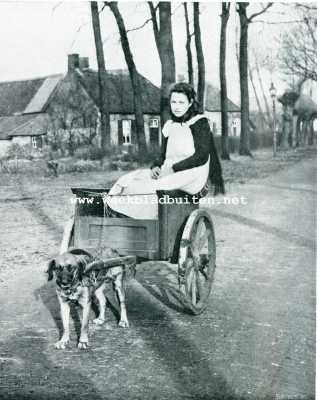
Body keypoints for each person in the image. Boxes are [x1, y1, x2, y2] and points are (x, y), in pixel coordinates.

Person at [104, 82, 225, 219]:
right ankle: (123, 217)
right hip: (169, 170)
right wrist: (156, 166)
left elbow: (201, 156)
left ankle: (146, 221)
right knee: (129, 180)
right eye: (174, 102)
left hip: (192, 173)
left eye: (181, 102)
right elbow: (163, 155)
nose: (177, 107)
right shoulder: (170, 125)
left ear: (190, 102)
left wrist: (174, 168)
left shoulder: (199, 122)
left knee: (153, 188)